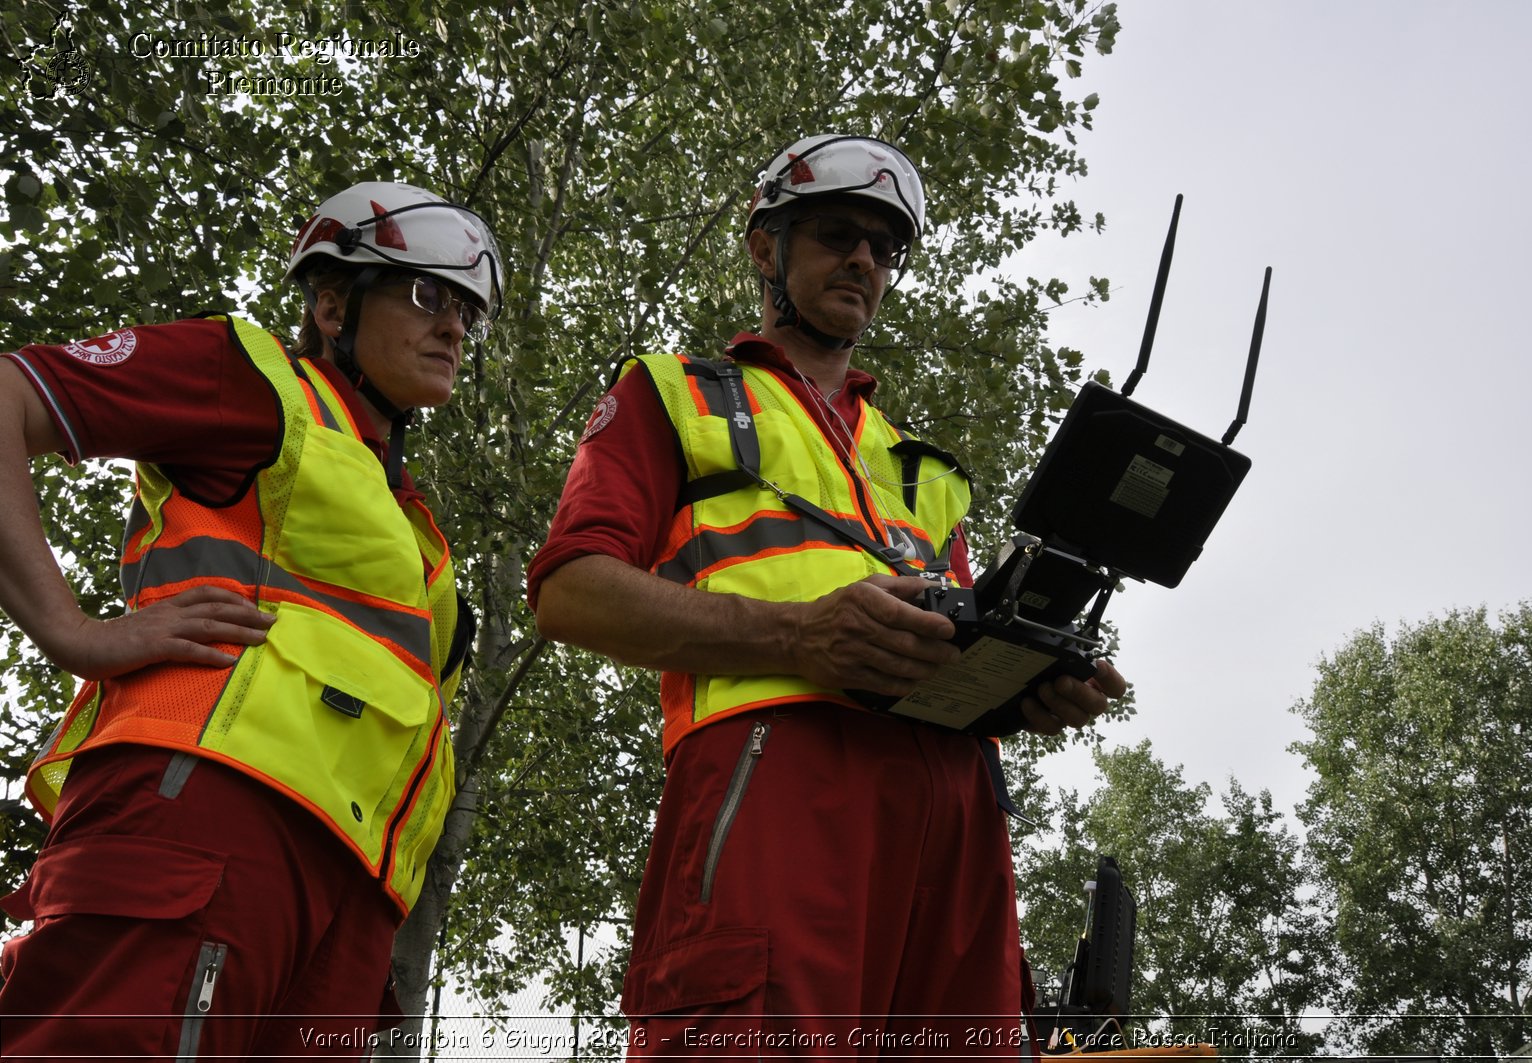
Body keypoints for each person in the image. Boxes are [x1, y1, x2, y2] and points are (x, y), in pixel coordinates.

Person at [528, 134, 1127, 1055]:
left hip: (957, 819)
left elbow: (957, 659)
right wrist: (799, 636)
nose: (863, 260)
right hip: (777, 780)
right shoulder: (674, 393)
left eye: (884, 248)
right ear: (766, 248)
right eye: (837, 234)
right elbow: (570, 591)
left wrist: (1030, 682)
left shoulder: (922, 468)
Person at [0, 180, 504, 1056]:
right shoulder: (254, 379)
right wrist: (70, 629)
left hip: (350, 897)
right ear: (333, 301)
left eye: (467, 309)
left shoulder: (414, 523)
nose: (455, 326)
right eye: (427, 293)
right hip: (207, 816)